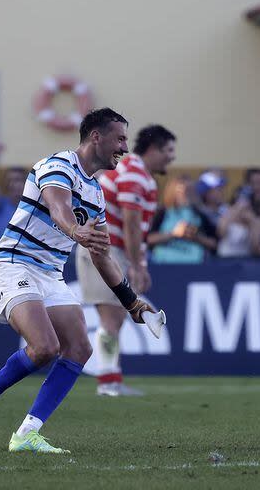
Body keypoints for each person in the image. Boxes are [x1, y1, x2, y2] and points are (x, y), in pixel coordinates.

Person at [0, 108, 159, 454]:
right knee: (45, 347)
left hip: (49, 274)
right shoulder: (57, 165)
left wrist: (132, 302)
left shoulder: (97, 193)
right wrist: (74, 230)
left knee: (80, 348)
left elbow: (102, 256)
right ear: (96, 136)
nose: (125, 148)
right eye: (120, 139)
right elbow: (58, 207)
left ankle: (27, 433)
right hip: (14, 264)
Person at [76, 124, 176, 396]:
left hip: (109, 248)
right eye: (169, 150)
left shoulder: (137, 172)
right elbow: (131, 223)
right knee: (110, 317)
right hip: (103, 249)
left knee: (115, 317)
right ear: (153, 149)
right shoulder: (134, 173)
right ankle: (108, 383)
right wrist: (137, 264)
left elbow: (135, 226)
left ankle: (110, 379)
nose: (172, 157)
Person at [147, 176, 217, 263]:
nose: (185, 195)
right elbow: (148, 239)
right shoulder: (162, 213)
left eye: (190, 191)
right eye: (181, 191)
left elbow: (214, 243)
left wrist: (196, 237)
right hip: (164, 264)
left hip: (193, 264)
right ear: (173, 192)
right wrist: (173, 234)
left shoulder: (200, 214)